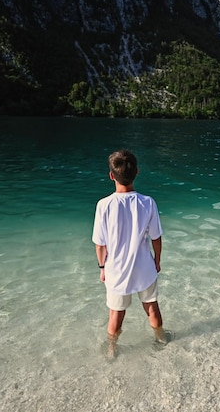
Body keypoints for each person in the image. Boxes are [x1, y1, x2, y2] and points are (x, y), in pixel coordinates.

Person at [92, 149, 167, 358]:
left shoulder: (103, 205)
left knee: (116, 313)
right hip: (144, 266)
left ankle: (112, 350)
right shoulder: (148, 202)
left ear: (111, 175)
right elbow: (156, 238)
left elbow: (100, 244)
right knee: (151, 306)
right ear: (137, 172)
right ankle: (161, 339)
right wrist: (157, 261)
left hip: (116, 269)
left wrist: (102, 267)